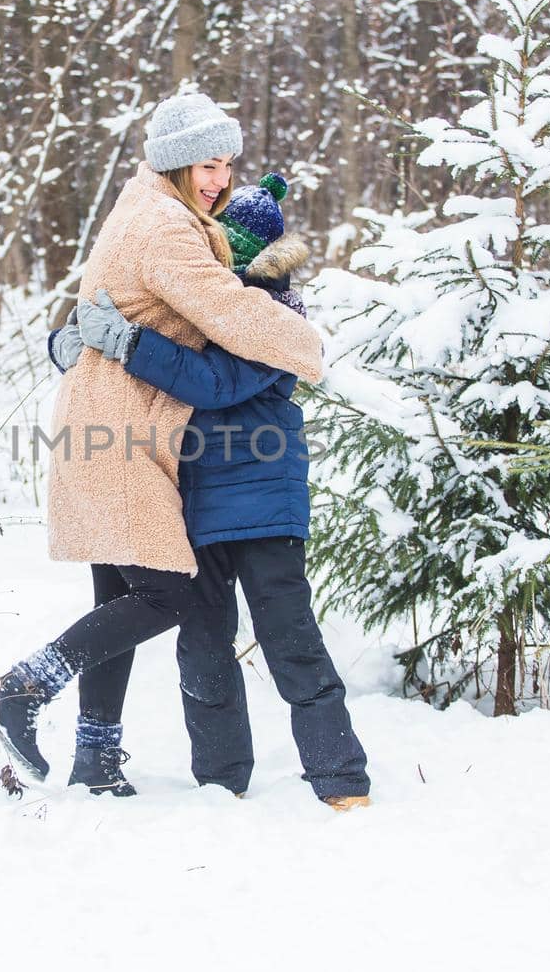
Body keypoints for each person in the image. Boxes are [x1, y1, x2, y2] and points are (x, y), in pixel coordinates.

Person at [0, 92, 325, 794]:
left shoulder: (143, 208)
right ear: (174, 163)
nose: (219, 179)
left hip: (100, 419)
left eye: (226, 164)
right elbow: (227, 310)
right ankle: (20, 689)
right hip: (123, 431)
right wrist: (305, 342)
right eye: (206, 164)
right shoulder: (166, 226)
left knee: (117, 590)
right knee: (170, 593)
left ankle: (96, 759)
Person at [51, 173, 372, 809]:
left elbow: (213, 384)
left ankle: (340, 776)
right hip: (189, 494)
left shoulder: (270, 318)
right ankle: (222, 782)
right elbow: (114, 314)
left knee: (288, 634)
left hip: (260, 500)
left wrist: (125, 344)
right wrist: (78, 344)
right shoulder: (186, 303)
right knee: (202, 642)